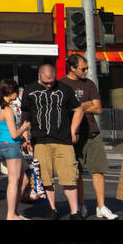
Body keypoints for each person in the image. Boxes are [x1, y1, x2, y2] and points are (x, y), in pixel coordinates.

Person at [20, 63, 84, 219]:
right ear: (39, 77)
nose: (49, 85)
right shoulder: (30, 90)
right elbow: (26, 115)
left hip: (63, 139)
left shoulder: (64, 89)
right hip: (40, 140)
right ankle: (52, 209)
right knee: (45, 177)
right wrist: (25, 136)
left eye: (51, 82)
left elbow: (79, 109)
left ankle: (75, 212)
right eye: (45, 82)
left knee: (69, 176)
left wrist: (73, 130)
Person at [65, 52, 115, 219]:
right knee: (76, 172)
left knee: (98, 170)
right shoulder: (62, 85)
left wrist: (79, 106)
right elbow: (65, 110)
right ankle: (80, 205)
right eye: (83, 69)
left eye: (86, 69)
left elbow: (98, 108)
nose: (86, 71)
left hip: (92, 132)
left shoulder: (89, 84)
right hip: (73, 134)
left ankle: (101, 206)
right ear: (72, 68)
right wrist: (86, 105)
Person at [0, 79, 31, 220]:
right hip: (11, 146)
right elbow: (14, 134)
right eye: (16, 91)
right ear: (12, 92)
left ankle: (15, 211)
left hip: (1, 145)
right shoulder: (7, 110)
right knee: (13, 181)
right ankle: (11, 215)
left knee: (24, 176)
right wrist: (24, 128)